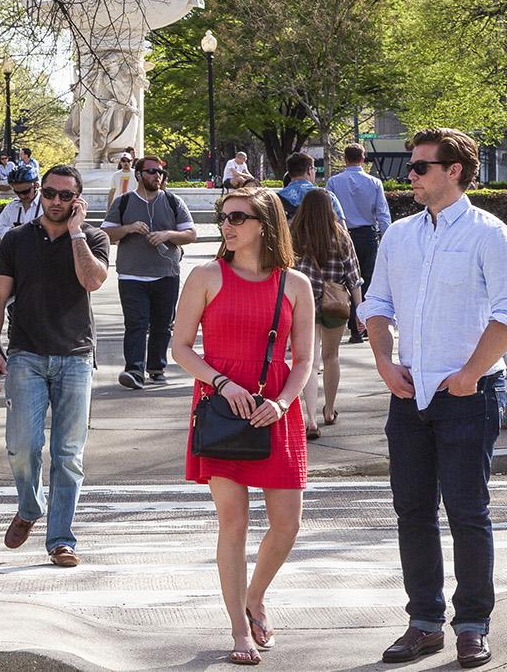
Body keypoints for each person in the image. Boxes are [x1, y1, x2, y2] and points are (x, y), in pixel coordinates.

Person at [360, 127, 507, 669]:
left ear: (453, 170)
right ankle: (424, 622)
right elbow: (376, 303)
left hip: (469, 393)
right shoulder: (400, 235)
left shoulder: (491, 236)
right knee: (412, 509)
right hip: (409, 392)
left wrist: (470, 373)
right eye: (410, 167)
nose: (408, 175)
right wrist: (385, 361)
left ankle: (473, 623)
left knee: (466, 510)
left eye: (419, 167)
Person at [170, 186, 316, 666]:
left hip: (275, 410)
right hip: (221, 406)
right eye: (224, 216)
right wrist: (221, 382)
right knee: (233, 522)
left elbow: (303, 359)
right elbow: (181, 349)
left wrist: (282, 402)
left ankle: (254, 598)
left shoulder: (294, 284)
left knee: (287, 525)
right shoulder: (206, 275)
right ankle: (239, 629)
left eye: (238, 217)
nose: (227, 225)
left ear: (265, 224)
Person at [0, 165, 109, 568]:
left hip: (75, 356)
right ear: (41, 195)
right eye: (50, 194)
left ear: (77, 200)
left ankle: (61, 539)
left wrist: (75, 233)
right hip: (26, 354)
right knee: (23, 446)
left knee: (68, 453)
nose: (56, 202)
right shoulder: (18, 240)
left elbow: (93, 281)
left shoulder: (93, 238)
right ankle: (29, 507)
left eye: (65, 196)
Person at [101, 155, 195, 390]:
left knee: (163, 324)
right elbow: (106, 234)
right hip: (131, 274)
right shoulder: (123, 202)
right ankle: (133, 370)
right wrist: (128, 228)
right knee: (136, 323)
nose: (158, 176)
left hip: (166, 273)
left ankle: (156, 367)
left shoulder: (174, 201)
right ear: (139, 175)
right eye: (152, 171)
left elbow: (191, 234)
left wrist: (167, 235)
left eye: (161, 172)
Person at [288, 188, 359, 440]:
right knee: (331, 357)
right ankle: (328, 410)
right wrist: (359, 310)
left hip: (302, 304)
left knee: (308, 361)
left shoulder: (294, 234)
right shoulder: (341, 236)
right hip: (335, 304)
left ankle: (309, 419)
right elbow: (353, 276)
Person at [327, 144, 390, 344]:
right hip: (368, 236)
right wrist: (388, 240)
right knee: (368, 282)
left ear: (345, 159)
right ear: (363, 159)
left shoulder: (334, 182)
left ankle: (351, 325)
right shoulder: (374, 183)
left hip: (341, 236)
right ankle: (363, 326)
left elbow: (329, 211)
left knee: (343, 281)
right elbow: (382, 214)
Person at [0, 166, 42, 240]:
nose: (22, 196)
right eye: (17, 192)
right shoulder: (11, 207)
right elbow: (1, 230)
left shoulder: (46, 206)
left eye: (25, 191)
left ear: (36, 185)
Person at [276, 153, 316, 219]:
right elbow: (338, 223)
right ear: (309, 170)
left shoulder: (276, 199)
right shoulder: (326, 196)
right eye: (314, 169)